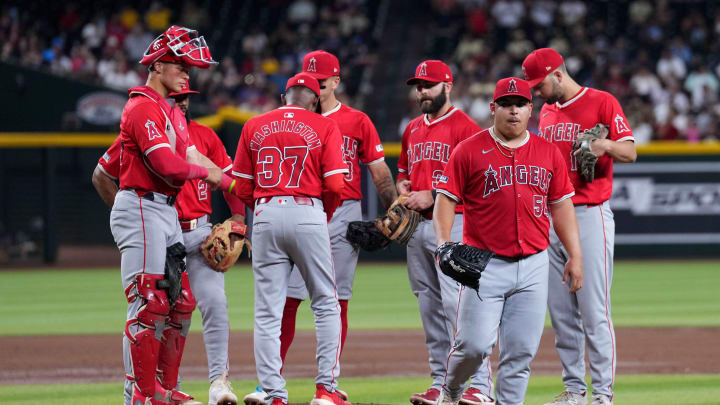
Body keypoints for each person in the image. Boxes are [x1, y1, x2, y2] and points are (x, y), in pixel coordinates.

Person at [243, 49, 398, 405]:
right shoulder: (295, 121)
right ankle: (270, 383)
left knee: (336, 300)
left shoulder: (357, 120)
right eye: (313, 81)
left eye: (324, 82)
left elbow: (379, 171)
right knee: (289, 301)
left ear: (335, 82)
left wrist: (392, 209)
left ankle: (326, 383)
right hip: (311, 210)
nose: (318, 86)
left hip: (341, 211)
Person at [104, 24, 239, 405]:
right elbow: (166, 163)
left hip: (164, 212)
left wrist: (225, 182)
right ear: (160, 64)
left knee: (177, 301)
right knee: (148, 302)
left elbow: (189, 159)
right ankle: (143, 394)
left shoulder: (169, 112)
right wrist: (207, 173)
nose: (187, 72)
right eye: (181, 65)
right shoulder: (142, 106)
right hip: (143, 206)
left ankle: (165, 386)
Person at [434, 77, 583, 405]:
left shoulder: (547, 152)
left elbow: (561, 206)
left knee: (520, 353)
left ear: (531, 109)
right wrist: (444, 243)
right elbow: (445, 200)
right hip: (483, 264)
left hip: (533, 265)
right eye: (506, 104)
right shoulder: (468, 150)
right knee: (472, 346)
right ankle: (451, 390)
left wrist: (575, 254)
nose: (513, 111)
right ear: (493, 109)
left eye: (520, 104)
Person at [522, 48, 637, 405]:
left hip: (589, 214)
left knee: (593, 311)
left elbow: (630, 152)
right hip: (552, 217)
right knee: (561, 315)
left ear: (557, 74)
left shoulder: (603, 102)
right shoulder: (546, 112)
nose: (535, 92)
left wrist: (603, 145)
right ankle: (574, 390)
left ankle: (602, 395)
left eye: (538, 84)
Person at [230, 73, 350, 405]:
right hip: (308, 209)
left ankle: (272, 394)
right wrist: (320, 214)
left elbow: (241, 188)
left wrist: (264, 210)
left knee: (268, 311)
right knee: (325, 303)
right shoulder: (325, 125)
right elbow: (338, 186)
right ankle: (326, 390)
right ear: (315, 100)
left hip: (265, 212)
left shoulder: (253, 125)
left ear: (286, 97)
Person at [398, 60, 495, 405]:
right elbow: (403, 171)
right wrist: (404, 186)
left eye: (429, 85)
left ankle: (481, 386)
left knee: (461, 309)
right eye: (418, 85)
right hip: (417, 229)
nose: (422, 91)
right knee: (430, 310)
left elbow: (482, 182)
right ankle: (441, 383)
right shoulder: (411, 129)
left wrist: (434, 193)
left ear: (448, 86)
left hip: (455, 224)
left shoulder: (466, 128)